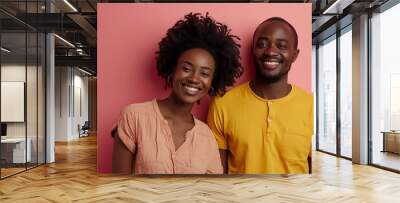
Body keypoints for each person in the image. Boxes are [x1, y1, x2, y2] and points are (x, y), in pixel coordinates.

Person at [112, 13, 243, 174]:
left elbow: (210, 193)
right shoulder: (134, 116)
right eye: (186, 68)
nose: (194, 78)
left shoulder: (207, 136)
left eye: (204, 73)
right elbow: (119, 186)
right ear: (173, 70)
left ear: (212, 82)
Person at [207, 17, 313, 174]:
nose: (270, 51)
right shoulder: (223, 105)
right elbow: (217, 176)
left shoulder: (311, 106)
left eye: (282, 46)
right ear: (252, 50)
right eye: (262, 44)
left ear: (294, 55)